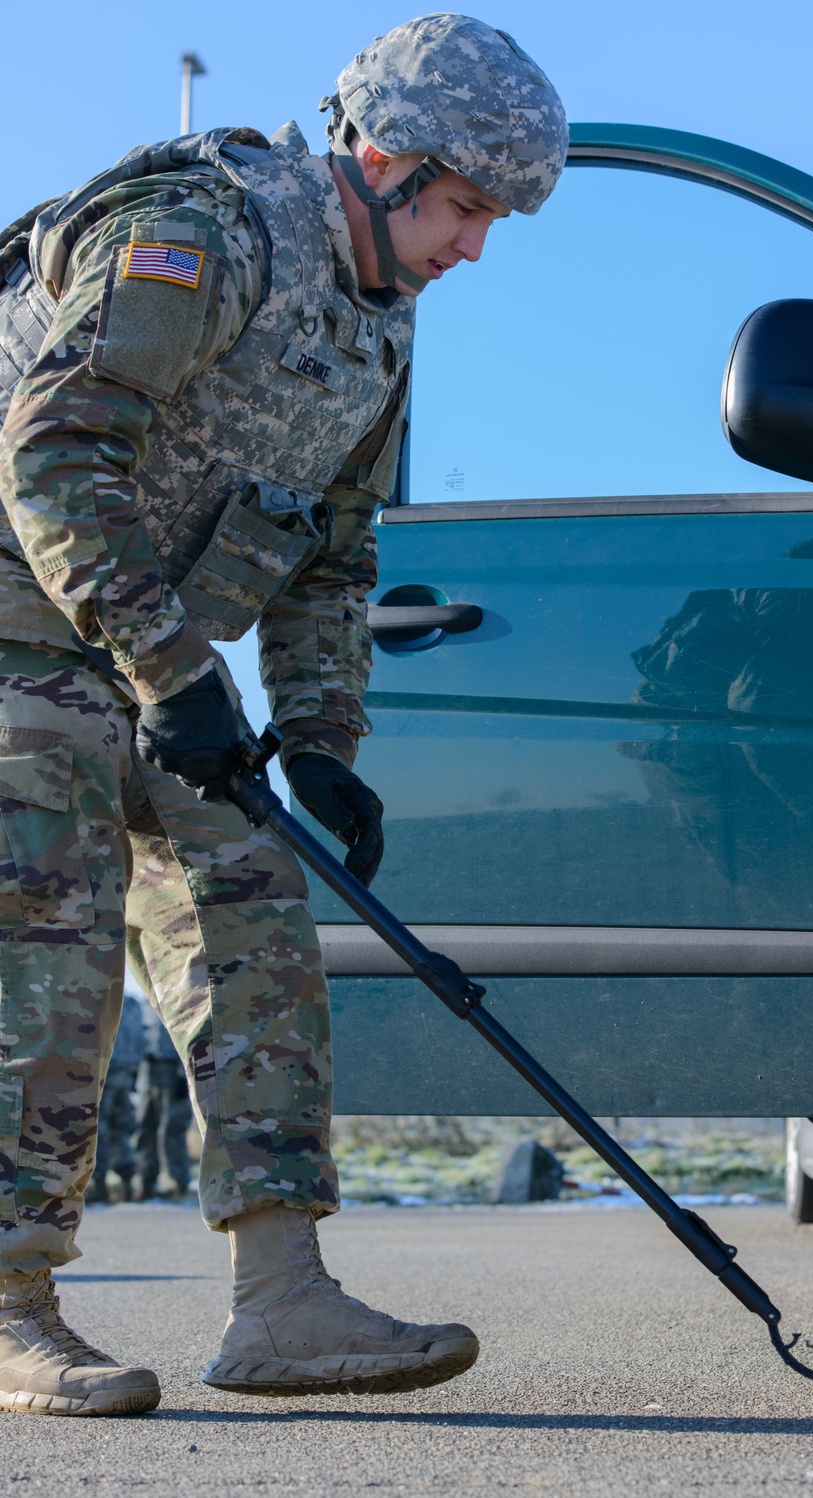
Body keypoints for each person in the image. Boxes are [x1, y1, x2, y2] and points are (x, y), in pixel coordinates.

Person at [0, 13, 566, 1416]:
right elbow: (55, 450)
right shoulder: (208, 233)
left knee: (249, 901)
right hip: (21, 612)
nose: (474, 247)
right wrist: (173, 669)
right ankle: (9, 1302)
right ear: (382, 158)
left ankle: (282, 1301)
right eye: (464, 206)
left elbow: (331, 551)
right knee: (49, 927)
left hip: (144, 645)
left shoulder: (380, 327)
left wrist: (322, 741)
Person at [85, 990, 146, 1205]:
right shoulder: (132, 1005)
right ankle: (127, 1180)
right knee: (122, 1127)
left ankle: (99, 1183)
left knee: (99, 1127)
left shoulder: (100, 1000)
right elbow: (142, 1040)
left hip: (106, 1073)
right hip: (127, 1073)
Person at [135, 1006, 194, 1201]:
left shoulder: (178, 995)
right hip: (149, 1071)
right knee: (145, 1130)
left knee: (171, 1131)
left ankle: (178, 1185)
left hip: (174, 1073)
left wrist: (182, 1076)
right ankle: (147, 1183)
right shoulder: (145, 1002)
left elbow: (190, 1037)